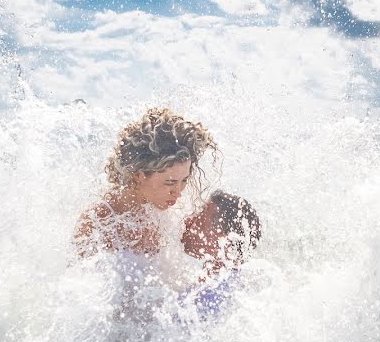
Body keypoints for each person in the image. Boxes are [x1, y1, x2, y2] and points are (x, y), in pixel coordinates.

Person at [74, 108, 217, 258]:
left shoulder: (175, 216)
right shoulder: (98, 224)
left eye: (184, 180)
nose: (178, 191)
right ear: (138, 176)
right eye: (169, 182)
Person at [180, 190, 262, 317]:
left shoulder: (209, 298)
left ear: (224, 239)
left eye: (200, 215)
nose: (189, 220)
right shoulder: (233, 286)